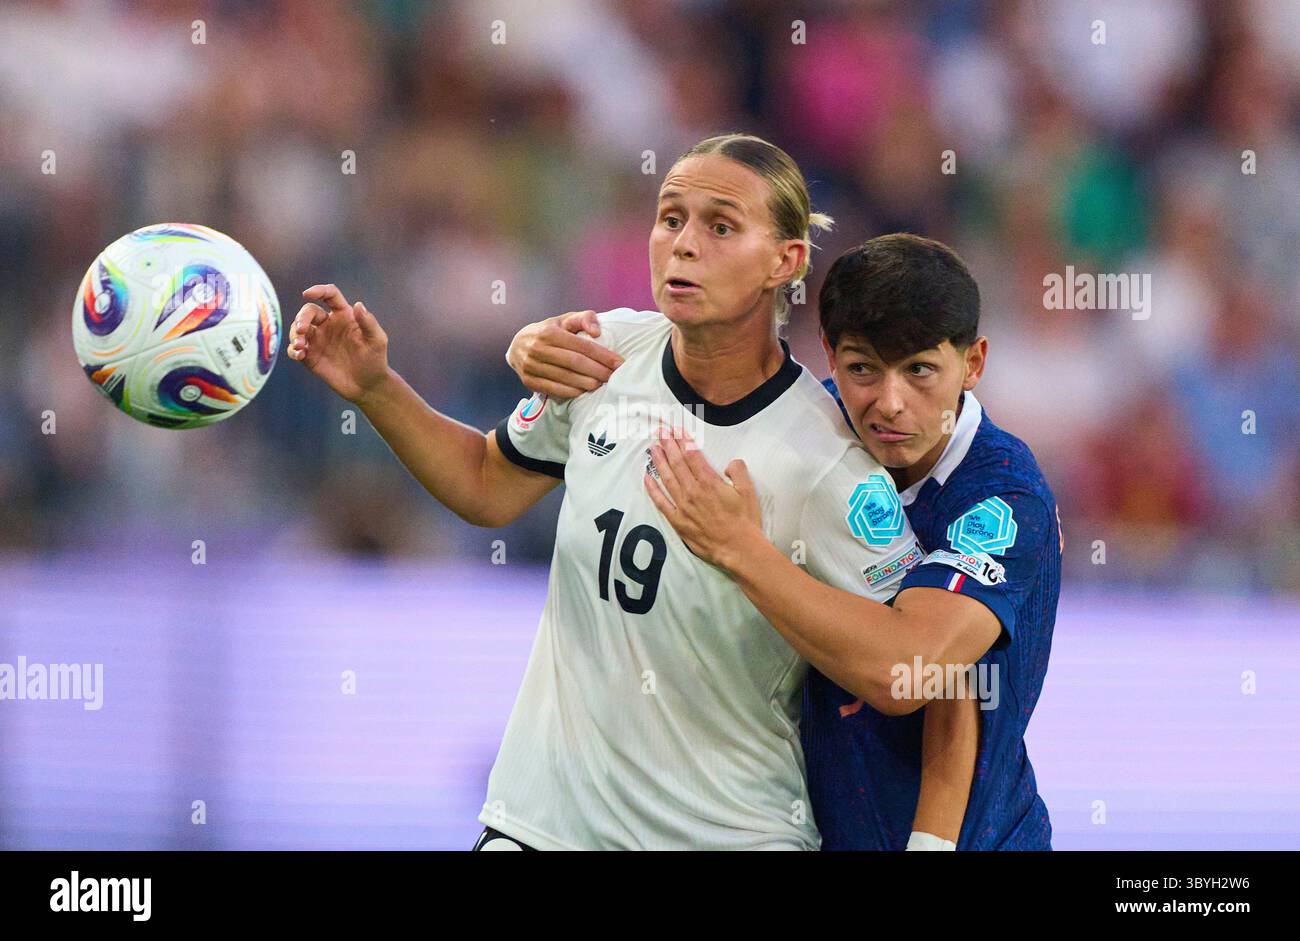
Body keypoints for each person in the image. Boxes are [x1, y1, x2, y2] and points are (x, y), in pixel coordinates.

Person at [285, 134, 956, 850]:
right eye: (671, 218)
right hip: (540, 825)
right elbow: (486, 484)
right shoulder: (604, 355)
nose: (684, 244)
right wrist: (377, 388)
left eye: (720, 226)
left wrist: (746, 554)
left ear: (784, 261)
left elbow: (904, 671)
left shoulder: (829, 462)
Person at [510, 234, 1061, 849]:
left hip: (976, 839)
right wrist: (537, 343)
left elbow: (922, 671)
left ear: (974, 362)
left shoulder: (1003, 495)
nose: (889, 402)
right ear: (829, 355)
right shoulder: (812, 434)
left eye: (921, 370)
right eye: (862, 370)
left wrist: (743, 552)